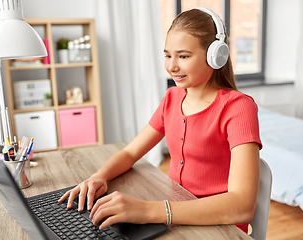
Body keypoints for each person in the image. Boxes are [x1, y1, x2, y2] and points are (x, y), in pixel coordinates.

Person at [59, 7, 262, 234]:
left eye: (183, 56)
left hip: (218, 228)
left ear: (216, 56)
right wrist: (98, 177)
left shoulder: (238, 107)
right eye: (167, 55)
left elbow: (242, 206)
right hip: (174, 216)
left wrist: (148, 211)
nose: (172, 66)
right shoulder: (172, 98)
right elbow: (130, 153)